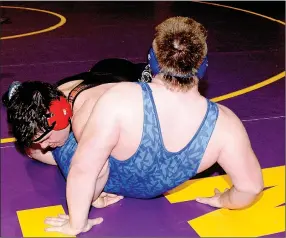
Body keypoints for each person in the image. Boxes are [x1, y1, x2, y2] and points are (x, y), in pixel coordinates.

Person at [4, 17, 263, 236]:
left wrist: (77, 223)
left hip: (107, 179)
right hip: (151, 190)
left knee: (37, 146)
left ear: (151, 60)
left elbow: (84, 169)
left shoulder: (119, 99)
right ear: (203, 67)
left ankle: (30, 97)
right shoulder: (226, 125)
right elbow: (250, 188)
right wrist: (223, 200)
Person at [2, 58, 151, 208]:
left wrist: (93, 196)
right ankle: (17, 95)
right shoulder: (53, 101)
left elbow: (97, 169)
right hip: (101, 72)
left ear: (62, 116)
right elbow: (33, 150)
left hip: (132, 76)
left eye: (46, 138)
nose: (44, 145)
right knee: (33, 151)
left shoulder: (89, 116)